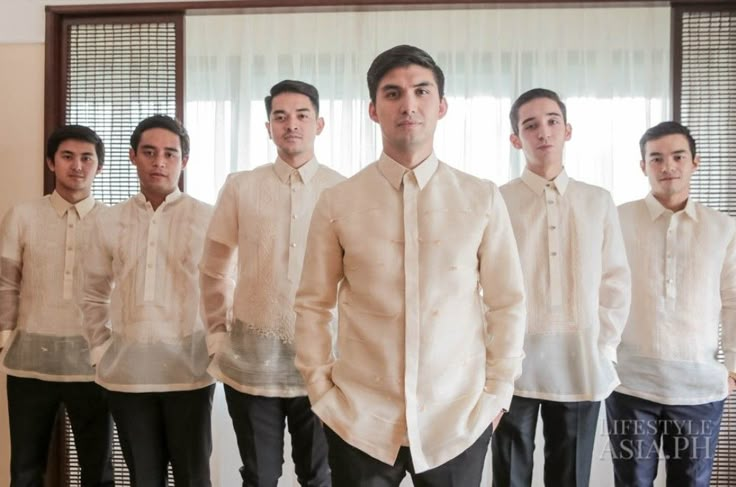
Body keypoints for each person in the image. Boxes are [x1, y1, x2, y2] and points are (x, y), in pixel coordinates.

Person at [294, 44, 526, 487]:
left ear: (441, 106)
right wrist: (322, 394)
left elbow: (508, 302)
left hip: (456, 419)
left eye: (421, 91)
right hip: (360, 419)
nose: (409, 104)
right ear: (373, 110)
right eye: (393, 93)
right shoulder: (337, 201)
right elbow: (312, 304)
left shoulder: (480, 197)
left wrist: (497, 394)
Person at [199, 80, 343, 486]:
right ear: (268, 127)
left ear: (320, 124)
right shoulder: (241, 186)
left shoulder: (343, 190)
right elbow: (214, 269)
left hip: (322, 365)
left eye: (301, 116)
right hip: (250, 363)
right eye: (280, 116)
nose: (291, 124)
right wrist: (216, 335)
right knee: (260, 476)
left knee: (319, 476)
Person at [492, 88, 631, 487]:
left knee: (570, 475)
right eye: (530, 125)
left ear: (568, 130)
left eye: (553, 121)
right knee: (510, 474)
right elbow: (484, 283)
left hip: (580, 361)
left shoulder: (597, 200)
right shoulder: (498, 201)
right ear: (516, 139)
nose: (544, 132)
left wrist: (602, 347)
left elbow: (615, 280)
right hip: (512, 363)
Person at [82, 114, 214, 487]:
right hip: (128, 375)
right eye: (150, 152)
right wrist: (100, 350)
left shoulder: (207, 218)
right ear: (132, 157)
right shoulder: (108, 221)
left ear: (184, 161)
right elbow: (92, 291)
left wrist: (218, 347)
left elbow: (224, 290)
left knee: (193, 477)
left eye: (170, 154)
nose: (160, 162)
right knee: (144, 478)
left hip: (190, 372)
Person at [606, 121, 736, 487]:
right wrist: (603, 356)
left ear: (695, 162)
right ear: (643, 166)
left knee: (691, 483)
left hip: (699, 389)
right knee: (632, 481)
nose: (668, 167)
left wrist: (734, 368)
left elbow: (733, 300)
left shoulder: (723, 228)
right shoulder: (617, 219)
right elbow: (600, 293)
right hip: (630, 385)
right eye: (656, 159)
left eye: (678, 156)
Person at [0, 125, 114, 487]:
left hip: (93, 363)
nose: (77, 166)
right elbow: (6, 282)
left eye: (86, 158)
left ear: (99, 166)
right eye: (67, 156)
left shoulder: (113, 222)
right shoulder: (22, 215)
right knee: (26, 468)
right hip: (30, 362)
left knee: (97, 469)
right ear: (51, 162)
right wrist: (5, 337)